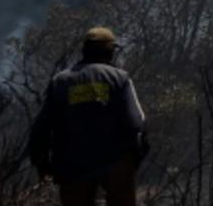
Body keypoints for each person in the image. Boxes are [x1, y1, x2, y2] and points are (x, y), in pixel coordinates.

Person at [27, 27, 150, 206]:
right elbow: (137, 123)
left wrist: (42, 164)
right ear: (109, 51)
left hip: (71, 165)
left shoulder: (60, 81)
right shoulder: (119, 78)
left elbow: (40, 129)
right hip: (114, 162)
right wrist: (135, 158)